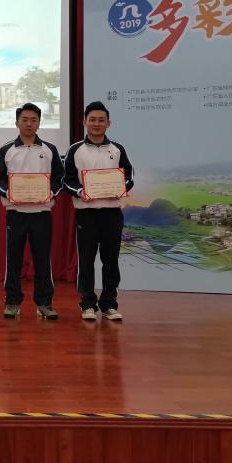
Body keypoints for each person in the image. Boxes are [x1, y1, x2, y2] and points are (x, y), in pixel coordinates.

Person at [0, 103, 64, 320]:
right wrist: (10, 193)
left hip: (42, 213)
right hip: (16, 213)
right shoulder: (6, 150)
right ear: (17, 122)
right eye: (25, 120)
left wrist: (50, 193)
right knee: (13, 259)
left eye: (33, 120)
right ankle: (12, 302)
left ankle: (44, 303)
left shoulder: (49, 150)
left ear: (39, 123)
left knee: (42, 259)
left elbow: (59, 178)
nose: (29, 124)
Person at [62, 101, 134, 321]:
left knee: (111, 260)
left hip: (112, 213)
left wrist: (120, 189)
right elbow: (67, 180)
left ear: (108, 123)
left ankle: (109, 304)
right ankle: (88, 304)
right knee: (86, 260)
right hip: (86, 213)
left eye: (101, 120)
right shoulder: (75, 149)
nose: (96, 124)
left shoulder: (117, 149)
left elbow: (129, 176)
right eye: (92, 119)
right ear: (84, 122)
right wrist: (80, 191)